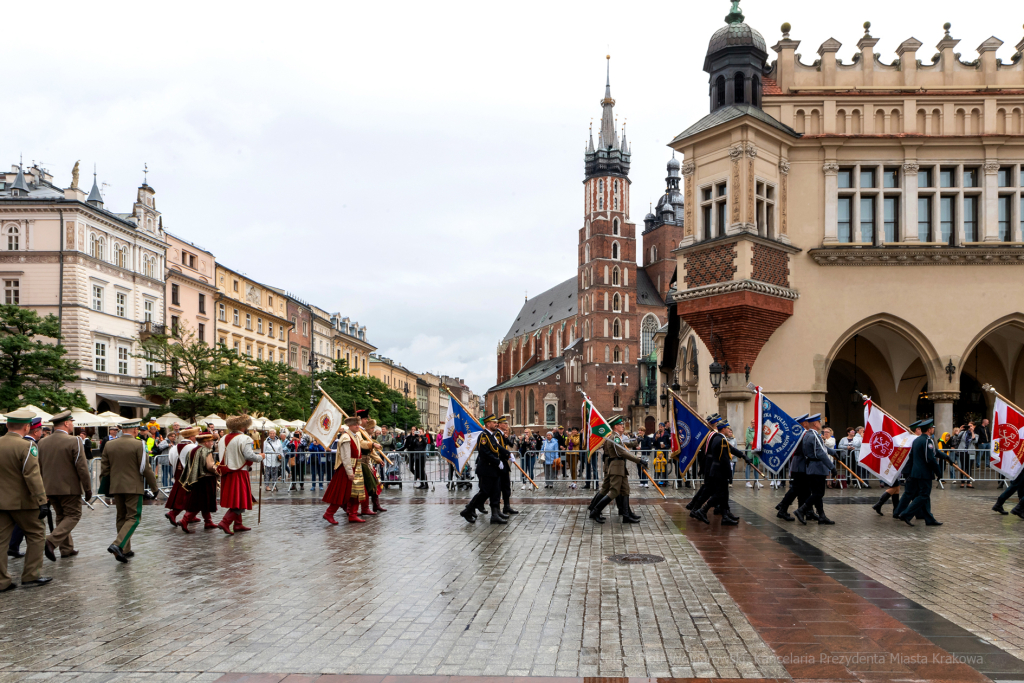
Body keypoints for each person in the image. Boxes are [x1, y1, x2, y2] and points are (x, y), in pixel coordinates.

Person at [0, 410, 52, 590]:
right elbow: (32, 475)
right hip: (24, 502)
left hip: (1, 502)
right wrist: (41, 500)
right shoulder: (27, 446)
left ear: (7, 425)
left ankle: (1, 581)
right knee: (37, 534)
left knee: (1, 540)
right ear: (27, 426)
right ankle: (31, 575)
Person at [99, 419, 159, 563]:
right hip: (133, 487)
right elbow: (146, 468)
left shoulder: (109, 444)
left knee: (121, 517)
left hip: (116, 486)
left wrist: (105, 486)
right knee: (133, 517)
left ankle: (125, 549)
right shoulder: (139, 444)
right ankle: (118, 544)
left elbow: (105, 468)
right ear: (134, 430)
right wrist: (154, 487)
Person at [38, 410, 91, 561]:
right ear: (67, 423)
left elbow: (39, 467)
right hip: (69, 488)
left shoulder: (42, 442)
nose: (72, 425)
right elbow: (81, 466)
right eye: (72, 422)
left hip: (49, 487)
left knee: (61, 516)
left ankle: (66, 549)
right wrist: (87, 488)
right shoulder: (74, 441)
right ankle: (51, 541)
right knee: (74, 515)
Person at [690, 420, 751, 526]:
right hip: (720, 471)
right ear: (723, 429)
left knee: (723, 493)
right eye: (728, 428)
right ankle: (703, 510)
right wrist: (729, 474)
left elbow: (731, 449)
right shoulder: (721, 440)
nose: (729, 430)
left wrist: (743, 455)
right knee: (719, 493)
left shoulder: (719, 438)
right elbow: (724, 460)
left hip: (717, 470)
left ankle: (725, 515)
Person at [215, 415, 265, 535]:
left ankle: (238, 524)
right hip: (239, 472)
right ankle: (225, 522)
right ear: (243, 426)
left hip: (226, 471)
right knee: (240, 501)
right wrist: (260, 457)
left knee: (236, 499)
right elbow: (249, 455)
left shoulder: (223, 438)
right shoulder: (245, 438)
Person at [588, 416, 643, 524]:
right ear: (615, 427)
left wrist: (635, 442)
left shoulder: (616, 437)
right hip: (616, 466)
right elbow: (621, 452)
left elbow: (623, 445)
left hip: (619, 467)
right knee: (613, 491)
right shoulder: (614, 437)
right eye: (620, 425)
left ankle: (626, 515)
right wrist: (638, 460)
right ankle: (595, 510)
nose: (623, 426)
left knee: (625, 490)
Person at [460, 415, 508, 524]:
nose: (496, 424)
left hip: (493, 469)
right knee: (484, 492)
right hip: (486, 469)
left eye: (496, 422)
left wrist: (508, 454)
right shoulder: (483, 436)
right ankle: (468, 510)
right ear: (487, 424)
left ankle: (495, 514)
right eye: (494, 422)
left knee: (495, 492)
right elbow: (485, 453)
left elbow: (498, 447)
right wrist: (498, 461)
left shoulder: (491, 436)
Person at [793, 414, 837, 525]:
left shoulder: (808, 435)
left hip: (811, 467)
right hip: (818, 467)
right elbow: (820, 453)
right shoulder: (815, 436)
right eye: (819, 421)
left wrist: (832, 452)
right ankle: (801, 510)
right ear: (815, 424)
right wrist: (831, 467)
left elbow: (821, 448)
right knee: (819, 493)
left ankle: (822, 516)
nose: (820, 423)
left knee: (817, 493)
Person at [899, 419, 943, 526]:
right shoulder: (928, 441)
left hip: (916, 472)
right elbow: (930, 459)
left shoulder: (917, 440)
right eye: (932, 428)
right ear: (929, 429)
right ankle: (906, 513)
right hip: (924, 473)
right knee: (923, 495)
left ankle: (929, 519)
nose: (933, 430)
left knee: (925, 496)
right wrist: (938, 471)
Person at [178, 431, 219, 532]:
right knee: (201, 502)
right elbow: (209, 466)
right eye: (210, 441)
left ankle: (208, 521)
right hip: (206, 479)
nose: (212, 443)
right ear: (205, 442)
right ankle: (185, 520)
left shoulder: (192, 450)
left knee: (203, 502)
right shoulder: (206, 451)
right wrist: (218, 470)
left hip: (195, 479)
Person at [323, 417, 362, 524]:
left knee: (356, 492)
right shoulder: (346, 437)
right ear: (349, 426)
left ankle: (353, 514)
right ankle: (329, 513)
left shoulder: (355, 436)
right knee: (341, 492)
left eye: (358, 424)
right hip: (346, 468)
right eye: (355, 425)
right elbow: (345, 456)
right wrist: (349, 471)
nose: (358, 426)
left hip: (356, 467)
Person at [775, 414, 813, 522]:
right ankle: (783, 508)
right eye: (806, 422)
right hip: (801, 464)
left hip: (800, 464)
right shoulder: (802, 434)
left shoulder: (798, 434)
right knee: (796, 488)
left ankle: (803, 510)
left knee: (803, 489)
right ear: (804, 423)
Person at [163, 427, 200, 528]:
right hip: (188, 474)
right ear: (192, 436)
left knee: (181, 494)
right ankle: (173, 513)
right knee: (187, 495)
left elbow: (170, 462)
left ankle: (191, 516)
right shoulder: (193, 447)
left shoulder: (174, 447)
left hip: (178, 473)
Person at [495, 417, 518, 515]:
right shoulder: (496, 434)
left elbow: (507, 444)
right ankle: (496, 510)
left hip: (504, 462)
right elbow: (498, 448)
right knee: (498, 486)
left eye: (506, 423)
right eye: (504, 423)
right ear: (499, 424)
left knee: (506, 485)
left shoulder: (502, 434)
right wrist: (507, 454)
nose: (506, 425)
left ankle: (507, 506)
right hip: (499, 463)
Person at [744, 418, 762, 489]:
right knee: (749, 465)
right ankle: (747, 482)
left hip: (757, 451)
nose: (753, 423)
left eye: (754, 422)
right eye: (752, 422)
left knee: (756, 466)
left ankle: (757, 481)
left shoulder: (758, 431)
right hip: (750, 451)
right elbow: (750, 441)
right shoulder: (748, 430)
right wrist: (757, 443)